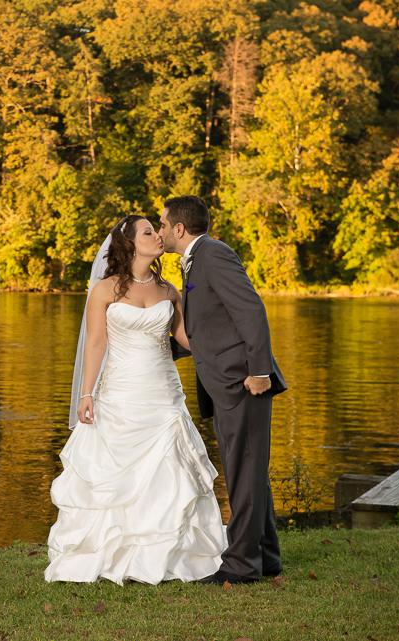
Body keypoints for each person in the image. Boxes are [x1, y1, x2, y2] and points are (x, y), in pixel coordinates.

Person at [45, 214, 226, 585]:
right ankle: (111, 556)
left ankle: (171, 557)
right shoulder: (105, 290)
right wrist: (86, 393)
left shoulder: (169, 290)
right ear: (130, 244)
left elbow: (187, 340)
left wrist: (231, 343)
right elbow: (96, 344)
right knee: (116, 476)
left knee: (171, 471)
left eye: (157, 230)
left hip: (164, 393)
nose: (158, 235)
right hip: (120, 393)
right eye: (149, 231)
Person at [158, 195, 287, 585]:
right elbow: (208, 324)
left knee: (244, 473)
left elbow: (250, 309)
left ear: (179, 229)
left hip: (242, 381)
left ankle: (241, 566)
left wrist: (260, 371)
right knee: (248, 472)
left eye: (162, 224)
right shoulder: (198, 259)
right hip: (226, 383)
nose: (160, 230)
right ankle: (265, 557)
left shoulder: (212, 254)